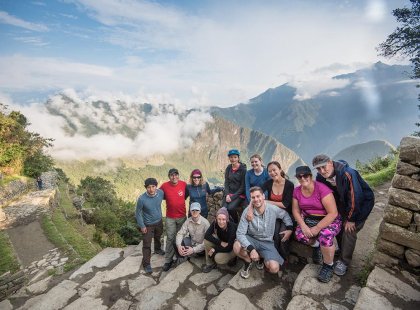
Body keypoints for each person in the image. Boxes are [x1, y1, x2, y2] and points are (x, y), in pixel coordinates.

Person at [312, 154, 374, 276]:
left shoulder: (347, 173)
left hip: (360, 205)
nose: (322, 171)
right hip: (342, 204)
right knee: (339, 227)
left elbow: (355, 197)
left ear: (330, 162)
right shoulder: (320, 177)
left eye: (324, 167)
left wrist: (351, 219)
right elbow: (323, 195)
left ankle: (344, 261)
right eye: (318, 169)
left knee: (348, 230)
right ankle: (342, 250)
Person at [292, 166, 341, 283]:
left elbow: (333, 213)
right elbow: (295, 211)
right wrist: (303, 226)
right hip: (310, 219)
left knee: (325, 235)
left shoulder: (322, 189)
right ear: (297, 178)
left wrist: (317, 228)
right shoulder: (297, 191)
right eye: (300, 176)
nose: (303, 178)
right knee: (300, 234)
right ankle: (317, 246)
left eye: (306, 175)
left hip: (329, 219)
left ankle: (328, 265)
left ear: (311, 176)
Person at [234, 186, 293, 279]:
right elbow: (240, 233)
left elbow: (285, 215)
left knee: (274, 268)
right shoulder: (247, 212)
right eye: (253, 197)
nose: (256, 199)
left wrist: (289, 228)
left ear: (263, 196)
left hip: (267, 242)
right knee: (237, 246)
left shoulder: (272, 209)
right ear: (250, 199)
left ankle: (261, 258)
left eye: (258, 196)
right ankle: (247, 261)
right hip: (251, 239)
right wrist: (252, 249)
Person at [246, 161, 294, 261]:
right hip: (273, 214)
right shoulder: (269, 183)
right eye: (269, 171)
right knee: (273, 234)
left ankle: (285, 258)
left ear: (280, 170)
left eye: (274, 170)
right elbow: (254, 194)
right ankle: (274, 257)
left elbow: (285, 204)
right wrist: (250, 208)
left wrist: (267, 201)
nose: (272, 173)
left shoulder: (289, 185)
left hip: (286, 215)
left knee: (282, 235)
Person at [160, 168, 189, 271]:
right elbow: (160, 196)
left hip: (182, 217)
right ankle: (168, 260)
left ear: (178, 175)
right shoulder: (164, 186)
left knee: (181, 238)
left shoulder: (184, 184)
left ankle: (180, 257)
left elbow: (185, 195)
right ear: (169, 176)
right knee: (170, 238)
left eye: (176, 175)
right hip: (170, 218)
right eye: (172, 175)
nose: (174, 177)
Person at [135, 178, 165, 274]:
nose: (151, 189)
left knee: (158, 236)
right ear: (146, 188)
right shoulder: (142, 199)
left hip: (159, 221)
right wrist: (142, 226)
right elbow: (138, 213)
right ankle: (146, 264)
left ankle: (157, 249)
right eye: (148, 187)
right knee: (147, 244)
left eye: (153, 186)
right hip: (147, 225)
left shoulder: (160, 193)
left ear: (156, 186)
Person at [203, 207, 237, 273]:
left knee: (218, 258)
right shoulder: (215, 223)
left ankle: (233, 258)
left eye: (223, 219)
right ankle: (210, 263)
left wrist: (214, 249)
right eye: (219, 219)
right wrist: (220, 242)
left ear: (227, 219)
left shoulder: (232, 228)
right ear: (216, 219)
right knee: (207, 241)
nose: (221, 222)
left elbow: (229, 247)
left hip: (232, 247)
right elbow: (206, 235)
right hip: (223, 243)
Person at [223, 149, 247, 223]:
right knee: (223, 209)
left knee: (230, 208)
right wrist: (227, 194)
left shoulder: (243, 169)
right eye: (231, 157)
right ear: (229, 158)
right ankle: (228, 223)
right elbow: (226, 182)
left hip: (239, 194)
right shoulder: (229, 168)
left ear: (238, 158)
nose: (233, 159)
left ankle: (236, 222)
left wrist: (232, 196)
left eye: (235, 157)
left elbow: (243, 186)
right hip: (229, 193)